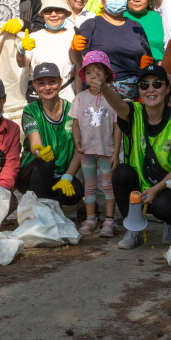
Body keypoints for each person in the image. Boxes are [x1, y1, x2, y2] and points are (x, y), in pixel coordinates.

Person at [102, 65, 171, 249]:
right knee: (121, 173)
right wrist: (104, 87)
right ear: (139, 90)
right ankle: (134, 227)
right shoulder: (134, 111)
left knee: (164, 206)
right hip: (140, 185)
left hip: (169, 187)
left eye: (157, 84)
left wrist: (156, 189)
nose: (150, 89)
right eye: (144, 85)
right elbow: (118, 104)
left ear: (167, 88)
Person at [16, 63, 87, 217]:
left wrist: (67, 177)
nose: (47, 87)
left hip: (59, 176)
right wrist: (39, 152)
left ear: (60, 82)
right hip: (32, 172)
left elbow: (79, 149)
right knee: (47, 162)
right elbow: (35, 144)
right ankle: (41, 215)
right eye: (41, 83)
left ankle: (51, 206)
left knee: (77, 190)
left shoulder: (73, 110)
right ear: (34, 85)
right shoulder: (30, 110)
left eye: (52, 81)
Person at [70, 0, 154, 101]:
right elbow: (77, 61)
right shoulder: (91, 25)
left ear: (126, 0)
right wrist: (74, 50)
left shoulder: (136, 26)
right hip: (100, 94)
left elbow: (147, 57)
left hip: (134, 97)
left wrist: (145, 69)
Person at [69, 54, 119, 234]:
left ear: (106, 74)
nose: (93, 76)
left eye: (97, 71)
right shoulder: (80, 98)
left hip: (106, 148)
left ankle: (109, 220)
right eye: (88, 72)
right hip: (87, 148)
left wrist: (116, 152)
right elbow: (75, 123)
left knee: (107, 185)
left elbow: (117, 125)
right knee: (89, 184)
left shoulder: (112, 98)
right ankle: (91, 219)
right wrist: (77, 142)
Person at [17, 0, 76, 102]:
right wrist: (20, 50)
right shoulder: (34, 37)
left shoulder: (74, 36)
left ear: (66, 13)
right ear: (42, 14)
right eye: (48, 11)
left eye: (58, 10)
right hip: (39, 98)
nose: (53, 15)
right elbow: (22, 63)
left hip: (67, 96)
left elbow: (79, 69)